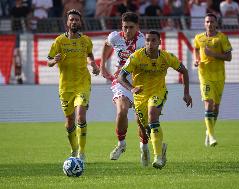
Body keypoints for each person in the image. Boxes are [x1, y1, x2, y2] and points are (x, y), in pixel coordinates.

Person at [117, 30, 193, 169]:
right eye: (147, 40)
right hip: (140, 96)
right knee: (146, 128)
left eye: (153, 40)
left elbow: (184, 71)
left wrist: (186, 93)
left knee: (153, 117)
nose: (150, 43)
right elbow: (121, 77)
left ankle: (157, 157)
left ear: (159, 42)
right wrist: (131, 88)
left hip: (158, 92)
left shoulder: (166, 57)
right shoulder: (136, 57)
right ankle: (161, 149)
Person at [47, 9, 100, 161]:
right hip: (65, 87)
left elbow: (89, 54)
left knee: (81, 116)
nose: (74, 22)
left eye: (77, 19)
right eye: (72, 20)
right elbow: (48, 61)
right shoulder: (59, 41)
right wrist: (54, 61)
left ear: (80, 22)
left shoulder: (85, 40)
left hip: (82, 83)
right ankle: (74, 148)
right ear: (67, 23)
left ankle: (82, 153)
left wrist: (94, 65)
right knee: (69, 121)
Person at [100, 12, 150, 166]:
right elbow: (106, 45)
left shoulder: (143, 41)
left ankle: (144, 147)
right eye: (125, 27)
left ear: (137, 27)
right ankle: (121, 144)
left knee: (141, 120)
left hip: (140, 82)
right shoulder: (115, 37)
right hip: (121, 81)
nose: (127, 31)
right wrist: (102, 65)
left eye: (131, 27)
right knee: (121, 111)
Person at [193, 13, 232, 147]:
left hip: (219, 76)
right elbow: (196, 49)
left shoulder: (222, 38)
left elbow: (229, 57)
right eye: (207, 22)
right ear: (205, 24)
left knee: (215, 107)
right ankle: (211, 135)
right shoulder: (199, 37)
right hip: (204, 75)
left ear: (216, 23)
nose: (209, 24)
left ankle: (208, 131)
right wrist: (196, 60)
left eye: (212, 22)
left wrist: (214, 54)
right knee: (208, 103)